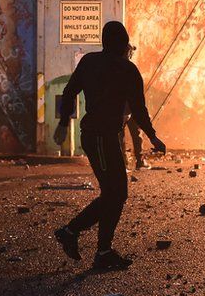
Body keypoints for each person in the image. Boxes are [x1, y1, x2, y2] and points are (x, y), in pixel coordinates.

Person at [53, 21, 166, 270]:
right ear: (124, 44)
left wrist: (63, 123)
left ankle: (97, 247)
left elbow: (70, 91)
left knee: (116, 193)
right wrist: (153, 137)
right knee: (115, 193)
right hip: (102, 137)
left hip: (97, 136)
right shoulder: (128, 70)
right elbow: (139, 109)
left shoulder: (90, 62)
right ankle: (75, 234)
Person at [122, 44, 148, 170]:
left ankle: (123, 164)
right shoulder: (130, 68)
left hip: (121, 109)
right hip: (130, 108)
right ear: (128, 53)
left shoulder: (113, 67)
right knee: (137, 135)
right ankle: (140, 161)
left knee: (120, 137)